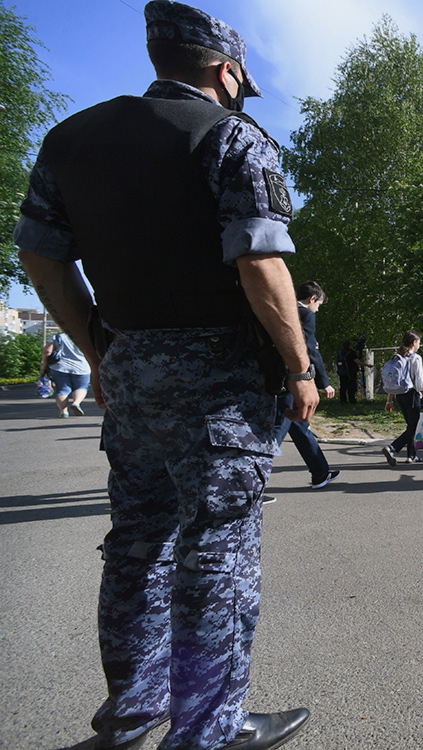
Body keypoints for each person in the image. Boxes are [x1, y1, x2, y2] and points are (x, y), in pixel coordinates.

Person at [14, 3, 315, 747]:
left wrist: (97, 348)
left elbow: (41, 258)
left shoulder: (67, 139)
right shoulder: (233, 137)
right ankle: (208, 727)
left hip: (131, 373)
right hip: (220, 382)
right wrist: (300, 365)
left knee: (137, 544)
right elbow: (259, 263)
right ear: (227, 71)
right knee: (216, 553)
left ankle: (133, 707)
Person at [273, 281, 340, 489]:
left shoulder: (282, 310)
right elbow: (311, 351)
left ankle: (320, 472)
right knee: (275, 432)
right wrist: (324, 383)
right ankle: (251, 482)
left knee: (299, 425)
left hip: (276, 376)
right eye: (319, 305)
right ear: (312, 299)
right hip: (292, 381)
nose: (317, 310)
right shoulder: (305, 315)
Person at [382, 331, 423, 466]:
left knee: (410, 425)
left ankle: (412, 455)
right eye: (418, 342)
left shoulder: (397, 357)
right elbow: (420, 382)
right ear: (414, 343)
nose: (419, 345)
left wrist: (389, 400)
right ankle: (392, 448)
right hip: (412, 395)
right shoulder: (415, 358)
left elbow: (391, 382)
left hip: (400, 395)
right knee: (412, 426)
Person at [42, 331, 91, 417]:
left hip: (60, 367)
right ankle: (76, 403)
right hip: (82, 367)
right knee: (81, 387)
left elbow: (47, 351)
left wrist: (45, 366)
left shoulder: (57, 337)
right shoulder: (85, 337)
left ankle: (63, 412)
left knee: (62, 389)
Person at [337, 338, 363, 404]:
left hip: (342, 372)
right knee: (351, 387)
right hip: (350, 373)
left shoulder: (340, 353)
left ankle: (343, 400)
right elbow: (357, 361)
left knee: (343, 387)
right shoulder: (352, 353)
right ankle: (352, 400)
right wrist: (366, 364)